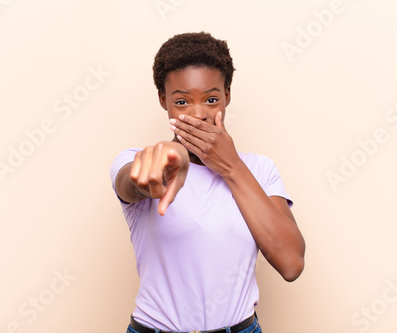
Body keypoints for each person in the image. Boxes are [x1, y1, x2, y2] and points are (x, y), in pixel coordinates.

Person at [111, 32, 305, 333]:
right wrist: (170, 155)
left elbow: (291, 263)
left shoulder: (259, 169)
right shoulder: (142, 160)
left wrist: (231, 167)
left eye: (211, 99)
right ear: (164, 101)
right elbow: (131, 182)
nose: (198, 114)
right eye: (182, 101)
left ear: (227, 95)